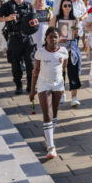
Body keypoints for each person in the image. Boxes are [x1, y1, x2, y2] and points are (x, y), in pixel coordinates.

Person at [30, 26, 68, 160]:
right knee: (47, 113)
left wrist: (64, 86)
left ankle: (48, 137)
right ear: (46, 38)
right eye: (50, 37)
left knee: (55, 113)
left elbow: (63, 70)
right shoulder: (40, 52)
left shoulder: (63, 52)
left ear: (59, 38)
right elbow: (35, 72)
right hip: (43, 84)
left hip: (58, 84)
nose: (53, 39)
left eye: (55, 37)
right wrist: (32, 90)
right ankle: (51, 147)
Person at [0, 0, 37, 94]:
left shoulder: (28, 5)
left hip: (27, 38)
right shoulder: (8, 5)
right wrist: (7, 18)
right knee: (16, 64)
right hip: (14, 37)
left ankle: (30, 86)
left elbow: (34, 20)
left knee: (30, 63)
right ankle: (18, 85)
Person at [51, 0, 83, 107]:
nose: (67, 8)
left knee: (73, 72)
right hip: (58, 49)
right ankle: (62, 93)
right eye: (65, 5)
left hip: (71, 49)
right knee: (60, 72)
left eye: (69, 5)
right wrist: (58, 39)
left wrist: (75, 32)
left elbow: (77, 35)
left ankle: (74, 97)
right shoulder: (56, 18)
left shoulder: (75, 19)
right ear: (61, 6)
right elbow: (50, 33)